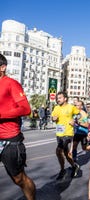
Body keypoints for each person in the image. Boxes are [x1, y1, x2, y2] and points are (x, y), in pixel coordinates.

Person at [0, 53, 36, 200]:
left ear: (2, 67)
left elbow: (25, 108)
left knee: (18, 179)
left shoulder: (11, 83)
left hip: (10, 140)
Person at [51, 91, 80, 180]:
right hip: (59, 133)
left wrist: (74, 120)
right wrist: (53, 119)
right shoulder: (56, 108)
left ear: (65, 98)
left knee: (58, 150)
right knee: (66, 154)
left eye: (60, 98)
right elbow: (53, 118)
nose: (58, 99)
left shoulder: (71, 107)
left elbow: (79, 114)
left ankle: (62, 170)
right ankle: (74, 166)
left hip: (68, 133)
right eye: (57, 98)